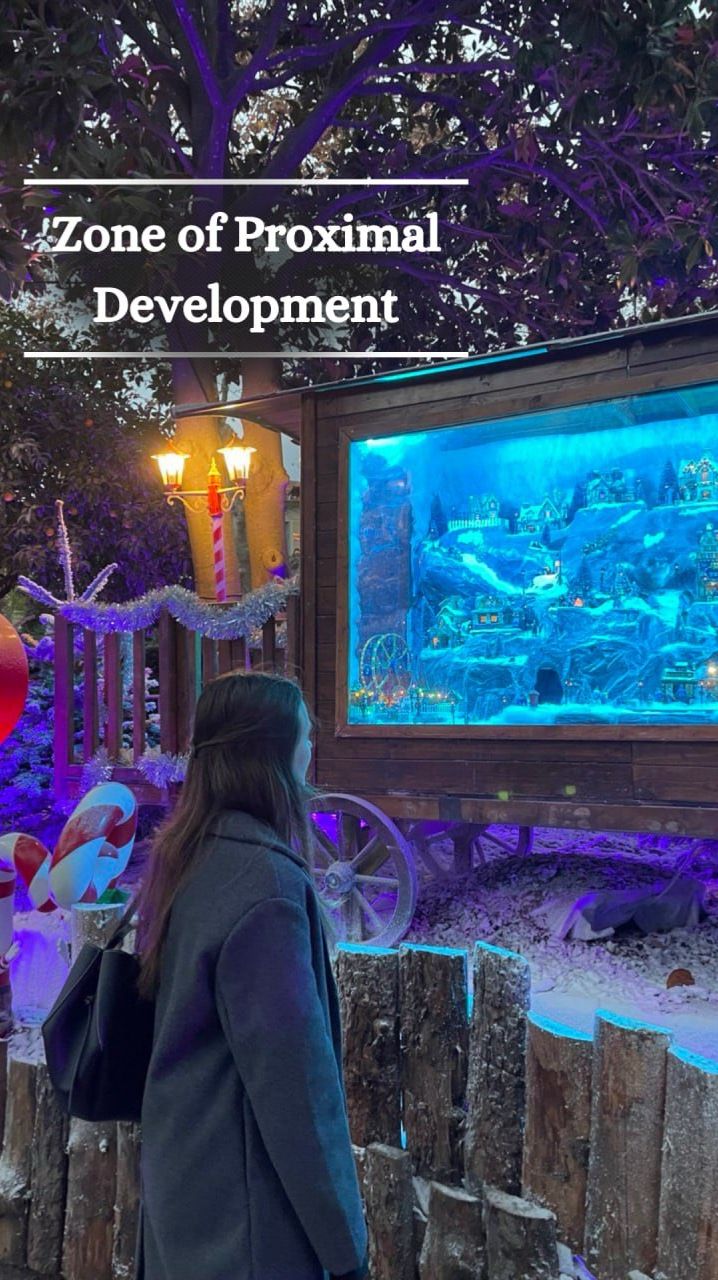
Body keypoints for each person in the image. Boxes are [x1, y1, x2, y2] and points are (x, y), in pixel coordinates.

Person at [133, 670, 369, 1280]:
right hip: (244, 1219)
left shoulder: (183, 856)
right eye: (305, 737)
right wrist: (346, 1251)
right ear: (272, 754)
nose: (311, 750)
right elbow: (296, 1090)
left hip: (181, 1178)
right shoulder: (266, 889)